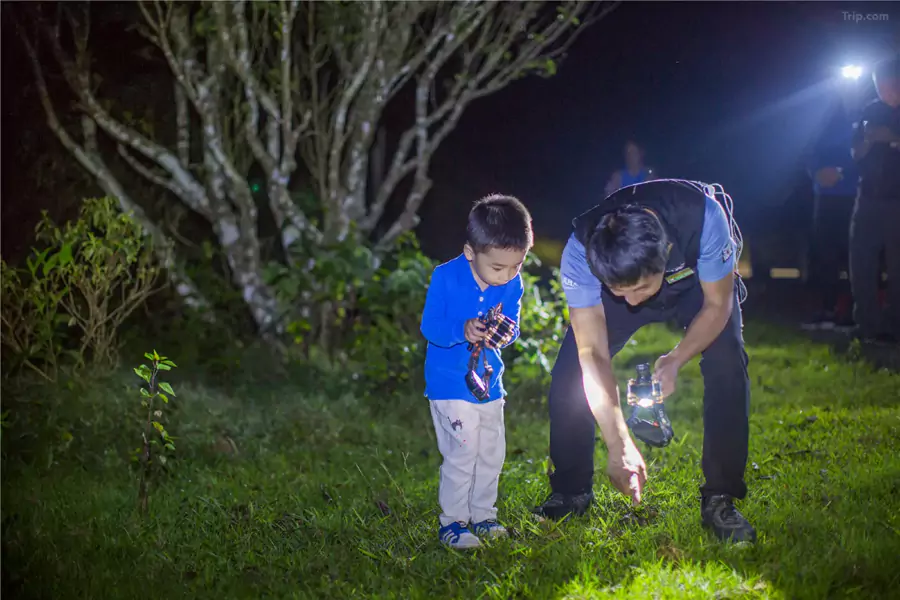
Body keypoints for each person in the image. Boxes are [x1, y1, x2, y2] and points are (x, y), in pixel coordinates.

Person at [532, 179, 757, 544]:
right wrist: (618, 442)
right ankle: (571, 490)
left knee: (728, 362)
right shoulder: (580, 251)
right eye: (623, 292)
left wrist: (675, 358)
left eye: (640, 290)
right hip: (622, 277)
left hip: (694, 284)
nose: (633, 302)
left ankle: (721, 497)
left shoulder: (704, 217)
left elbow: (718, 305)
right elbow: (593, 353)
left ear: (666, 253)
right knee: (570, 371)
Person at [420, 194, 533, 550]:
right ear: (471, 252)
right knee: (463, 450)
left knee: (491, 451)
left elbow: (511, 327)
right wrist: (461, 329)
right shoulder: (445, 277)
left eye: (516, 266)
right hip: (449, 383)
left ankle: (483, 515)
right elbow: (430, 326)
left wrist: (505, 331)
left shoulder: (512, 282)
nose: (508, 276)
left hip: (489, 384)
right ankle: (453, 523)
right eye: (498, 268)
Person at [849, 56, 900, 344]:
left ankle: (895, 326)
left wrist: (891, 136)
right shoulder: (870, 110)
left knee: (897, 266)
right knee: (861, 262)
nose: (884, 90)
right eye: (878, 84)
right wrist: (869, 141)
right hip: (867, 198)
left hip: (897, 201)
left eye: (889, 83)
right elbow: (856, 153)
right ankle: (867, 323)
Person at [801, 90, 860, 332]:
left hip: (855, 196)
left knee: (853, 255)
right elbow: (808, 152)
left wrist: (843, 173)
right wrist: (816, 172)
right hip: (825, 198)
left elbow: (865, 154)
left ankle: (852, 310)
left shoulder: (866, 115)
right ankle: (825, 308)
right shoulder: (822, 121)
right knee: (824, 254)